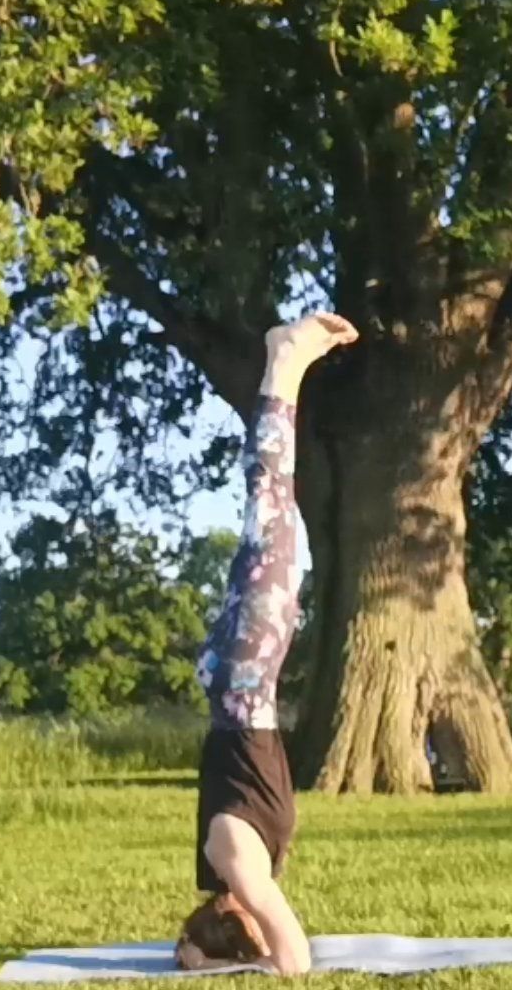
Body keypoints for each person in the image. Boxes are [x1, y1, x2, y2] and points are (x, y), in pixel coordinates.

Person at [174, 312, 359, 976]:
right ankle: (287, 369)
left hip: (243, 684)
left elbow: (292, 953)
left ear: (233, 919)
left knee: (271, 506)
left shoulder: (231, 857)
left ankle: (284, 363)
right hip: (243, 683)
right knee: (273, 514)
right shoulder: (234, 864)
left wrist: (246, 961)